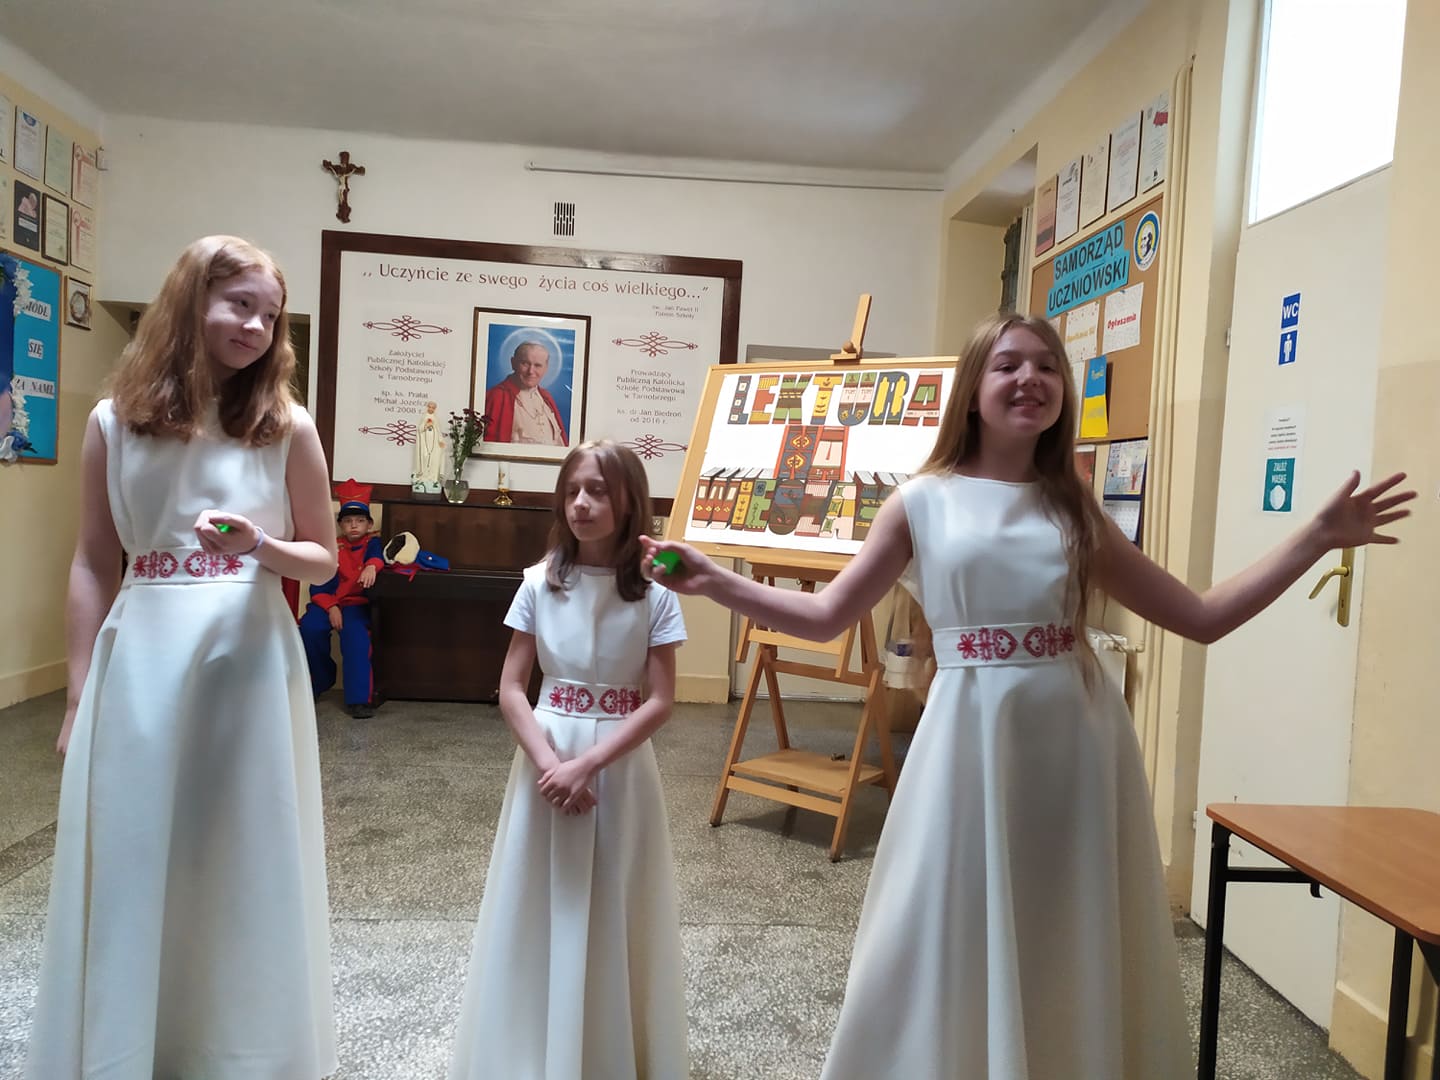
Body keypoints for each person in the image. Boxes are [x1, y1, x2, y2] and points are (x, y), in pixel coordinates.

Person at [642, 312, 1414, 1080]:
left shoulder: (1073, 507)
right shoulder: (921, 501)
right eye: (1008, 364)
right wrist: (715, 581)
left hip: (1076, 742)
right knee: (946, 915)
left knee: (1063, 920)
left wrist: (1314, 538)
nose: (1030, 380)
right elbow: (826, 615)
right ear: (973, 387)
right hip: (968, 740)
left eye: (1046, 366)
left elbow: (1200, 616)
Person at [25, 236, 340, 1080]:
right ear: (188, 301)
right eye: (240, 305)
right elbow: (95, 561)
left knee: (241, 850)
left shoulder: (286, 427)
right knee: (135, 850)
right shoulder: (112, 423)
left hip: (247, 663)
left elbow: (324, 559)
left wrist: (260, 545)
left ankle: (241, 1052)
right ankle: (135, 1047)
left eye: (270, 316)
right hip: (142, 660)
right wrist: (77, 697)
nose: (257, 328)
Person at [449, 439, 688, 1080]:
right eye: (573, 490)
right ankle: (531, 1047)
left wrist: (588, 766)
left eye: (598, 491)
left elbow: (661, 700)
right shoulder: (539, 582)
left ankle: (606, 1050)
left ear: (630, 502)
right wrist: (551, 763)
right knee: (542, 896)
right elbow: (511, 687)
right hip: (546, 758)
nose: (581, 503)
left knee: (615, 895)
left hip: (619, 766)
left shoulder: (656, 593)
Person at [298, 478, 385, 718]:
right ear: (340, 525)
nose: (354, 525)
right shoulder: (333, 547)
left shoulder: (373, 543)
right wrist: (331, 607)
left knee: (356, 637)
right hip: (328, 602)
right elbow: (319, 584)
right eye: (348, 521)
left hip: (356, 605)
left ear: (369, 524)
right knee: (309, 628)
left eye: (360, 520)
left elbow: (378, 556)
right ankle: (319, 680)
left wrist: (372, 566)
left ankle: (359, 699)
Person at [483, 340, 568, 445]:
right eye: (525, 363)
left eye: (538, 365)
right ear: (513, 363)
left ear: (546, 368)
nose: (531, 371)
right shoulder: (497, 397)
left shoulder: (546, 398)